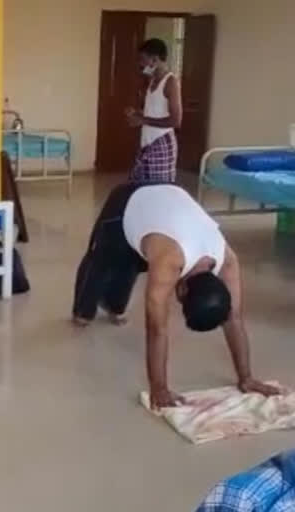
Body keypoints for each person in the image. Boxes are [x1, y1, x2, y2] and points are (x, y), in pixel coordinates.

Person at [71, 183, 279, 410]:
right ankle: (82, 312)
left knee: (132, 265)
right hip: (127, 202)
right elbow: (156, 328)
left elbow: (234, 319)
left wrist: (246, 377)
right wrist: (159, 388)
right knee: (102, 261)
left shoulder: (227, 260)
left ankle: (113, 305)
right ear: (181, 290)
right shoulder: (168, 262)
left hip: (168, 202)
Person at [125, 39, 182, 183]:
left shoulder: (171, 82)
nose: (140, 63)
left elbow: (176, 121)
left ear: (155, 59)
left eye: (142, 59)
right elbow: (155, 112)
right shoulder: (152, 80)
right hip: (147, 143)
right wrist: (137, 114)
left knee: (158, 193)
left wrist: (143, 120)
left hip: (161, 143)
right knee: (138, 187)